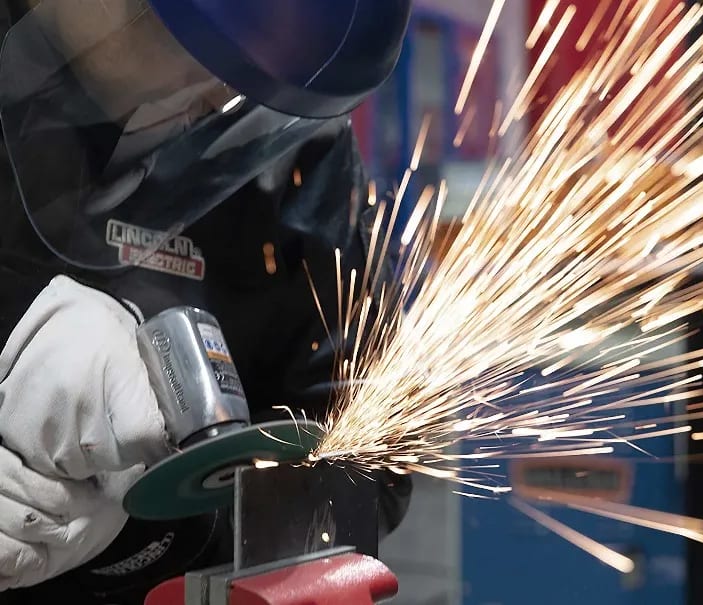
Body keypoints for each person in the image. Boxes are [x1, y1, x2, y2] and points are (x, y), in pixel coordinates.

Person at [0, 1, 412, 603]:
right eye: (201, 48)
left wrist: (166, 525)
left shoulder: (285, 142)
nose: (223, 93)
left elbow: (366, 474)